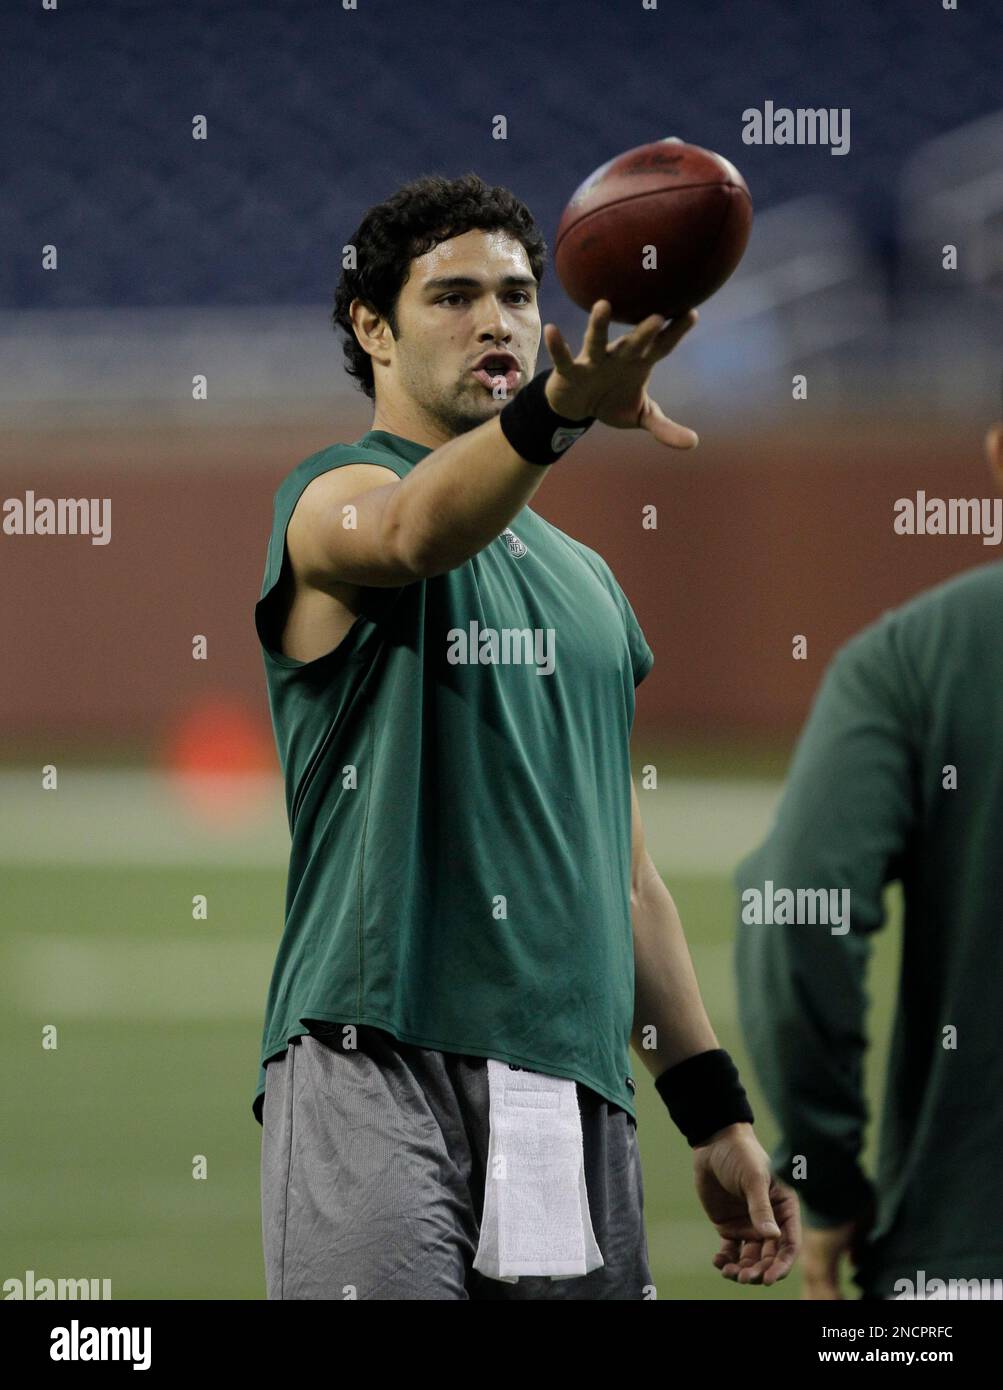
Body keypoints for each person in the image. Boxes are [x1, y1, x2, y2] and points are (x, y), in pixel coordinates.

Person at [253, 172, 799, 1300]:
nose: (494, 319)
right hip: (376, 1052)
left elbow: (627, 874)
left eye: (513, 292)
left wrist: (711, 1110)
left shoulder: (587, 582)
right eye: (451, 296)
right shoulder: (328, 498)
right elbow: (412, 532)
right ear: (373, 328)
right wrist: (551, 412)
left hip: (570, 1080)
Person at [734, 415, 1003, 1300]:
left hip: (961, 1263)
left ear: (997, 455)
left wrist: (825, 1174)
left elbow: (791, 905)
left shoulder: (912, 657)